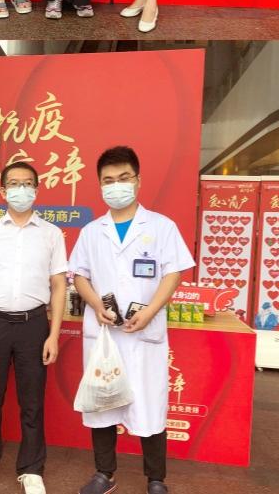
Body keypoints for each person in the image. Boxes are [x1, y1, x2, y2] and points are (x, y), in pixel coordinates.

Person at [68, 146, 194, 494]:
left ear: (137, 181)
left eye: (123, 178)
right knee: (102, 400)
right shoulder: (92, 231)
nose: (116, 186)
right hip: (105, 333)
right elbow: (79, 275)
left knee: (150, 402)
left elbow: (173, 273)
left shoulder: (161, 226)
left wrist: (150, 311)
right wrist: (96, 304)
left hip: (144, 333)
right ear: (100, 185)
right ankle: (104, 474)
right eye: (108, 180)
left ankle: (156, 478)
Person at [0, 161, 68, 494]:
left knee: (32, 400)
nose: (21, 189)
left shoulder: (51, 234)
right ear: (2, 191)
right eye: (14, 184)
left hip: (33, 325)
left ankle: (31, 469)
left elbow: (59, 287)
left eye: (27, 183)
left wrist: (53, 334)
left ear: (36, 189)